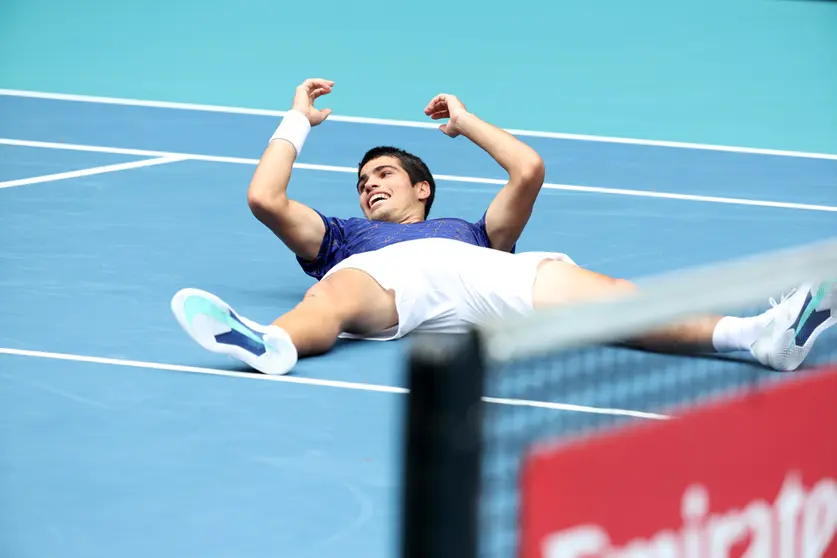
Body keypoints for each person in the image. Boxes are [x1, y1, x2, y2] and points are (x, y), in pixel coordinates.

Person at [171, 78, 835, 376]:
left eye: (383, 175)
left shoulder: (478, 232)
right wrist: (295, 120)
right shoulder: (341, 236)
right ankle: (273, 345)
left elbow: (527, 169)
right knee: (333, 295)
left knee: (609, 298)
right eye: (362, 181)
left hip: (483, 277)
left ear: (421, 189)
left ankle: (758, 338)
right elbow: (264, 197)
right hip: (384, 282)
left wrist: (466, 122)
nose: (369, 183)